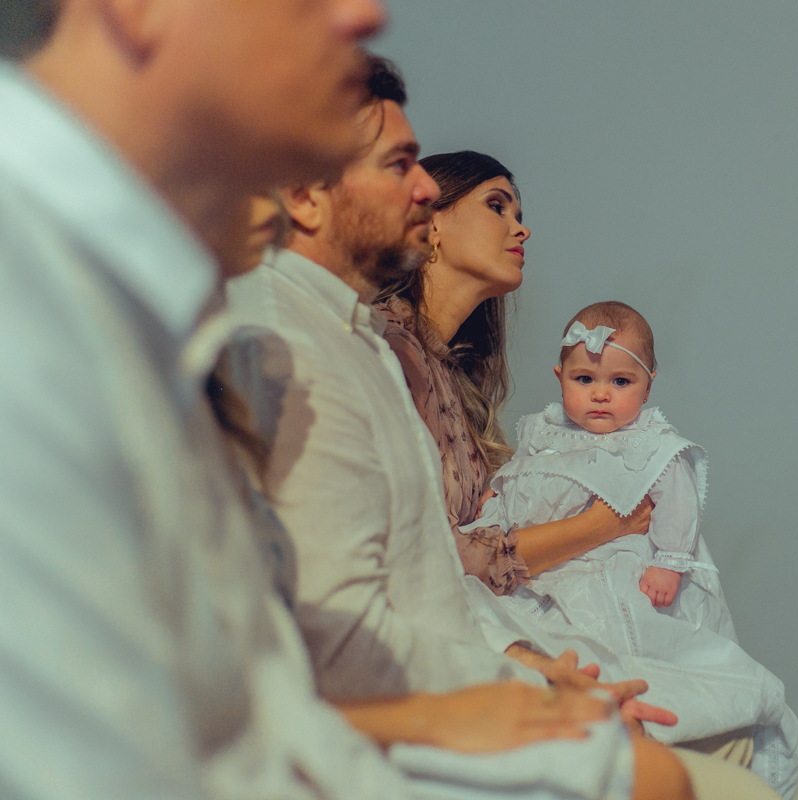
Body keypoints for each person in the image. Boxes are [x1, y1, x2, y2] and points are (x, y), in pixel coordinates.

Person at [0, 3, 689, 799]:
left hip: (346, 735)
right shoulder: (49, 299)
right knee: (650, 776)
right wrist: (476, 707)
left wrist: (500, 692)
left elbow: (253, 688)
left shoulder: (169, 315)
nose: (364, 13)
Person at [222, 55, 705, 800]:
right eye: (399, 165)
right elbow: (347, 614)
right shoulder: (306, 345)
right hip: (377, 700)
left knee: (664, 722)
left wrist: (527, 669)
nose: (420, 187)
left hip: (453, 649)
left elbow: (425, 585)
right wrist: (489, 692)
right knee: (652, 771)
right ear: (305, 197)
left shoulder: (375, 349)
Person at [462, 301, 798, 795]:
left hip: (621, 570)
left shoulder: (650, 445)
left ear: (648, 384)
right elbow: (519, 481)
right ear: (559, 377)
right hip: (547, 573)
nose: (601, 394)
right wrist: (496, 497)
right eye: (584, 380)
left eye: (621, 383)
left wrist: (668, 560)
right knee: (539, 635)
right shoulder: (544, 436)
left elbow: (678, 503)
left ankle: (638, 712)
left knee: (630, 637)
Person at [373, 153, 655, 596]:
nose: (521, 229)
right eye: (496, 206)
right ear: (430, 223)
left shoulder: (450, 377)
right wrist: (602, 525)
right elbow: (426, 555)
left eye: (518, 214)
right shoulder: (382, 346)